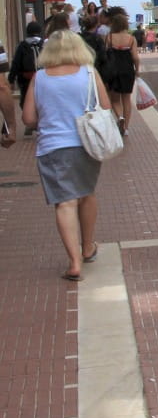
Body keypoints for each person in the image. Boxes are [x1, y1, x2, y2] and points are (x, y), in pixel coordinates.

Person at [22, 30, 113, 281]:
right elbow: (105, 108)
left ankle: (74, 263)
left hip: (53, 147)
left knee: (65, 202)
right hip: (86, 145)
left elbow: (28, 118)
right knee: (87, 194)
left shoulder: (39, 79)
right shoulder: (88, 73)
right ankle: (87, 247)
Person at [103, 10, 140, 136]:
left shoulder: (109, 37)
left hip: (113, 70)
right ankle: (127, 127)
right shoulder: (131, 39)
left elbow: (104, 55)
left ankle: (119, 117)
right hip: (127, 70)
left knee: (114, 99)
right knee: (127, 99)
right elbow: (135, 57)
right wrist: (137, 70)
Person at [9, 21, 44, 109]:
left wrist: (11, 80)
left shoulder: (22, 45)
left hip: (26, 78)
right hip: (43, 77)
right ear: (40, 31)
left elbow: (16, 63)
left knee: (26, 98)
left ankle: (28, 112)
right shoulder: (44, 44)